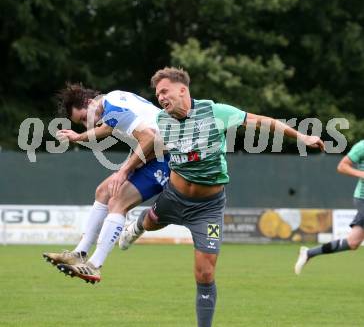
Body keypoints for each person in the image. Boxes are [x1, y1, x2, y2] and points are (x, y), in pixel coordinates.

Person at [119, 67, 325, 327]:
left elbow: (263, 122)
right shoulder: (161, 120)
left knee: (205, 273)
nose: (160, 97)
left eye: (164, 91)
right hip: (173, 196)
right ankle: (136, 226)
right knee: (150, 221)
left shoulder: (215, 112)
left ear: (182, 89)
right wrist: (126, 169)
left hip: (208, 208)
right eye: (157, 93)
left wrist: (302, 137)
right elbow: (150, 147)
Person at [43, 83, 170, 283]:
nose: (86, 124)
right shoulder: (112, 100)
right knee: (103, 191)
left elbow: (150, 137)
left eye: (84, 118)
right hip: (152, 155)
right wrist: (79, 137)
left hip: (166, 159)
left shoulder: (114, 108)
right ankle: (80, 253)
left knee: (117, 202)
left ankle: (94, 266)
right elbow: (107, 129)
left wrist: (124, 171)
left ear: (89, 103)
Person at [294, 140, 364, 275]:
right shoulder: (362, 146)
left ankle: (309, 253)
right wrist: (361, 174)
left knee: (353, 242)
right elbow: (342, 166)